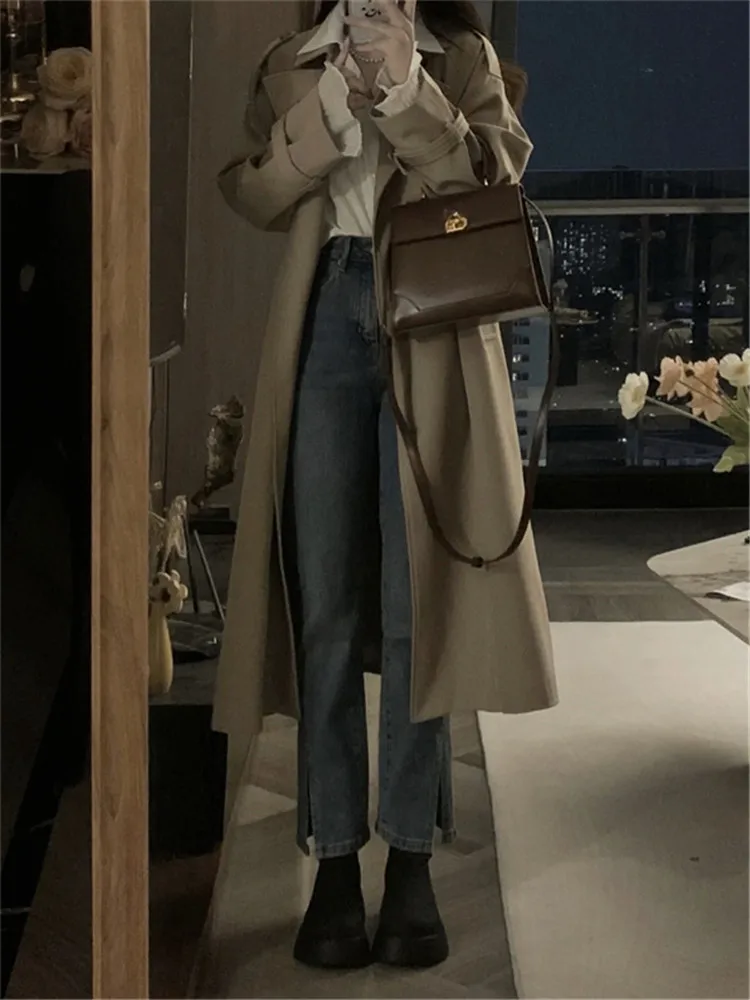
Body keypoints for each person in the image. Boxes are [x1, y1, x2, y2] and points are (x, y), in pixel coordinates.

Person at [215, 0, 557, 972]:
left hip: (433, 318)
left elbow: (490, 180)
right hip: (324, 315)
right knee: (323, 606)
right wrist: (332, 99)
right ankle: (333, 861)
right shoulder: (293, 59)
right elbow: (252, 193)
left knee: (419, 611)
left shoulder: (463, 58)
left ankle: (410, 859)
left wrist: (408, 85)